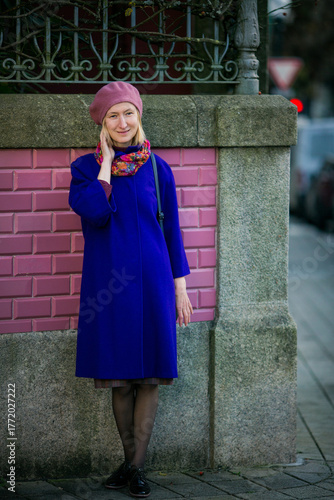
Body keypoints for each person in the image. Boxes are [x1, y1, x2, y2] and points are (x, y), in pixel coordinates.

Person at [68, 81, 193, 498]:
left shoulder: (159, 169)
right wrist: (105, 166)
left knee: (150, 377)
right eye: (112, 116)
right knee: (119, 378)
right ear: (103, 124)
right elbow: (94, 213)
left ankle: (135, 468)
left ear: (139, 116)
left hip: (155, 283)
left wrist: (180, 288)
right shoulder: (85, 169)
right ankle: (130, 464)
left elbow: (172, 230)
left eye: (128, 113)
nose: (122, 122)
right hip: (110, 288)